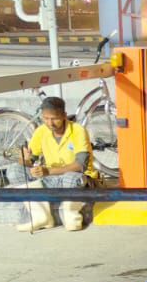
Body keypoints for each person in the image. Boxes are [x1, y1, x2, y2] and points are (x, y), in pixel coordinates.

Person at [17, 97, 96, 233]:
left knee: (71, 177)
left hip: (79, 179)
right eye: (46, 118)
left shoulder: (78, 130)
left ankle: (72, 217)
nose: (50, 123)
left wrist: (48, 171)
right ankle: (41, 217)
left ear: (64, 115)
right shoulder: (41, 131)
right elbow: (30, 160)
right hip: (52, 177)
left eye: (54, 118)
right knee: (15, 171)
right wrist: (24, 159)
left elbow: (80, 165)